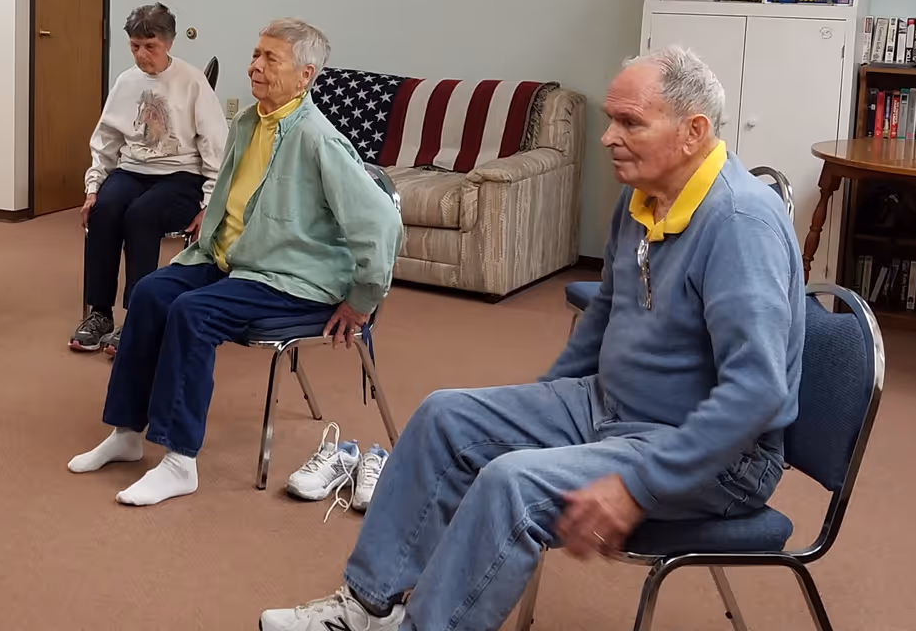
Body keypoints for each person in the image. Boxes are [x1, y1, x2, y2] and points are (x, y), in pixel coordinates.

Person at [260, 45, 805, 631]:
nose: (607, 137)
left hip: (717, 455)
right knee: (445, 417)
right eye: (611, 118)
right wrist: (536, 410)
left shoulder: (740, 223)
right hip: (611, 407)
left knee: (512, 482)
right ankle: (367, 606)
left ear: (693, 131)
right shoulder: (641, 195)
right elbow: (604, 317)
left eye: (630, 122)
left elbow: (757, 393)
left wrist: (638, 484)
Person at [66, 18, 403, 506]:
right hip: (233, 259)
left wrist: (362, 302)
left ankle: (181, 462)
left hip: (291, 277)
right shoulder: (249, 121)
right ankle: (128, 432)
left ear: (306, 74)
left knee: (192, 312)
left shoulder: (318, 139)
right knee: (151, 293)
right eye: (255, 54)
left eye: (271, 59)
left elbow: (380, 225)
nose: (255, 66)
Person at [70, 2, 228, 352]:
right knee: (105, 211)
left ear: (168, 43)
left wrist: (210, 205)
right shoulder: (126, 82)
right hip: (132, 170)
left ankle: (138, 317)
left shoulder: (192, 82)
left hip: (181, 175)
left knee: (142, 216)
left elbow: (216, 148)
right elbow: (106, 140)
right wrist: (93, 188)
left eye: (150, 46)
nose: (142, 55)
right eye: (135, 47)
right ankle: (100, 313)